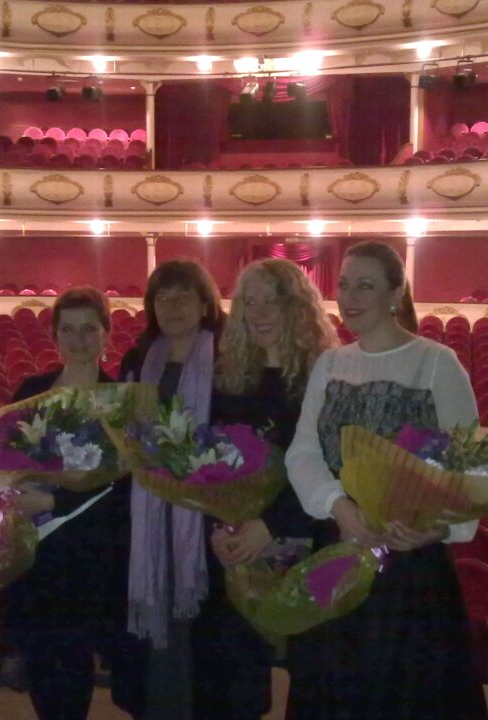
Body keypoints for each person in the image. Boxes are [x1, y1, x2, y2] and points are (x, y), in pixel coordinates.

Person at [283, 241, 488, 720]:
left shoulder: (436, 363)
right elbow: (303, 452)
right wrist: (340, 507)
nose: (350, 297)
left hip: (410, 566)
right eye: (344, 284)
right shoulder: (329, 363)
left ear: (396, 294)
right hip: (339, 549)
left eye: (366, 285)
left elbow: (470, 465)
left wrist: (438, 527)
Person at [192, 258, 339, 719]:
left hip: (303, 537)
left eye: (271, 301)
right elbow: (212, 463)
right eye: (249, 301)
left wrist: (269, 526)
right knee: (235, 672)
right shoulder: (230, 377)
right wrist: (220, 523)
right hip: (235, 540)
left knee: (311, 672)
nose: (257, 312)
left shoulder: (326, 376)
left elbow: (332, 466)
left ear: (295, 307)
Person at [0, 287, 138, 720]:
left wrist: (54, 499)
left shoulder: (119, 401)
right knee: (41, 668)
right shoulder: (32, 389)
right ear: (55, 335)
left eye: (89, 329)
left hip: (90, 556)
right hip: (34, 552)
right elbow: (4, 458)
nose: (78, 339)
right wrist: (10, 491)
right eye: (68, 329)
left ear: (107, 334)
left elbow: (125, 491)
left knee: (73, 671)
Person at [119, 259, 225, 720]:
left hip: (207, 518)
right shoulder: (138, 360)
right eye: (163, 297)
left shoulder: (228, 361)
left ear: (206, 304)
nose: (173, 305)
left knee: (203, 636)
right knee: (155, 645)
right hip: (147, 513)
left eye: (185, 296)